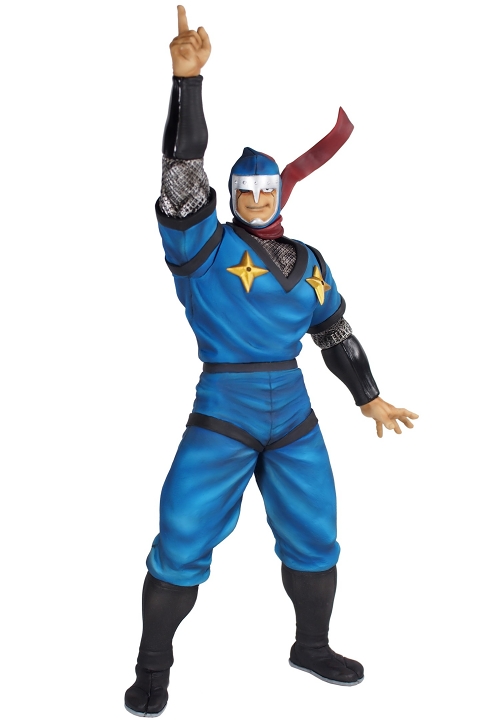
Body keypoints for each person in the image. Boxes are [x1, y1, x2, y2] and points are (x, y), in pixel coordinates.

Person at [124, 6, 418, 718]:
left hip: (292, 409)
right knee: (181, 535)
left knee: (316, 533)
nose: (256, 200)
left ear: (281, 192)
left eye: (266, 191)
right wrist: (187, 84)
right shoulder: (203, 247)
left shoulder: (311, 261)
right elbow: (182, 173)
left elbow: (334, 329)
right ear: (229, 197)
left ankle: (311, 646)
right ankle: (152, 665)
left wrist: (368, 396)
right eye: (244, 193)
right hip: (224, 406)